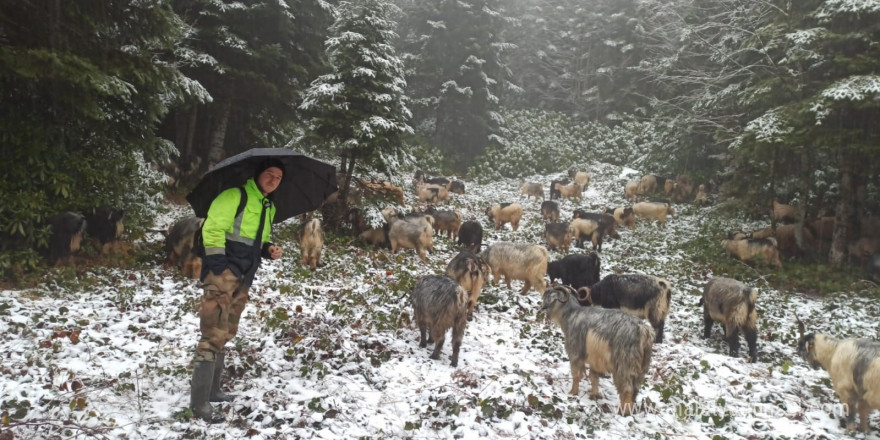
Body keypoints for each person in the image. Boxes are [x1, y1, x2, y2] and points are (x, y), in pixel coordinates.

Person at [190, 159, 284, 422]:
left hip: (245, 277)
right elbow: (213, 228)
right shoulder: (234, 196)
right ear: (258, 175)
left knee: (227, 331)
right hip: (224, 274)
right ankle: (199, 404)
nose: (274, 180)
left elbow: (258, 239)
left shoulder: (268, 206)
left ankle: (214, 391)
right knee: (212, 333)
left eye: (278, 177)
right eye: (269, 174)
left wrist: (269, 249)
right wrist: (219, 268)